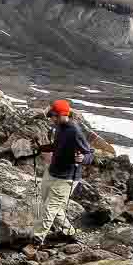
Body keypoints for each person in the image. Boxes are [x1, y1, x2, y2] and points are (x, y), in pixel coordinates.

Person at [32, 99, 94, 247]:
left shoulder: (75, 131)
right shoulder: (59, 127)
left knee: (49, 209)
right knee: (53, 207)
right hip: (52, 172)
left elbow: (90, 154)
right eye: (51, 116)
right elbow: (56, 146)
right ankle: (69, 232)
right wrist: (40, 148)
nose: (51, 119)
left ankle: (36, 241)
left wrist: (83, 158)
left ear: (62, 114)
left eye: (53, 116)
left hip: (67, 178)